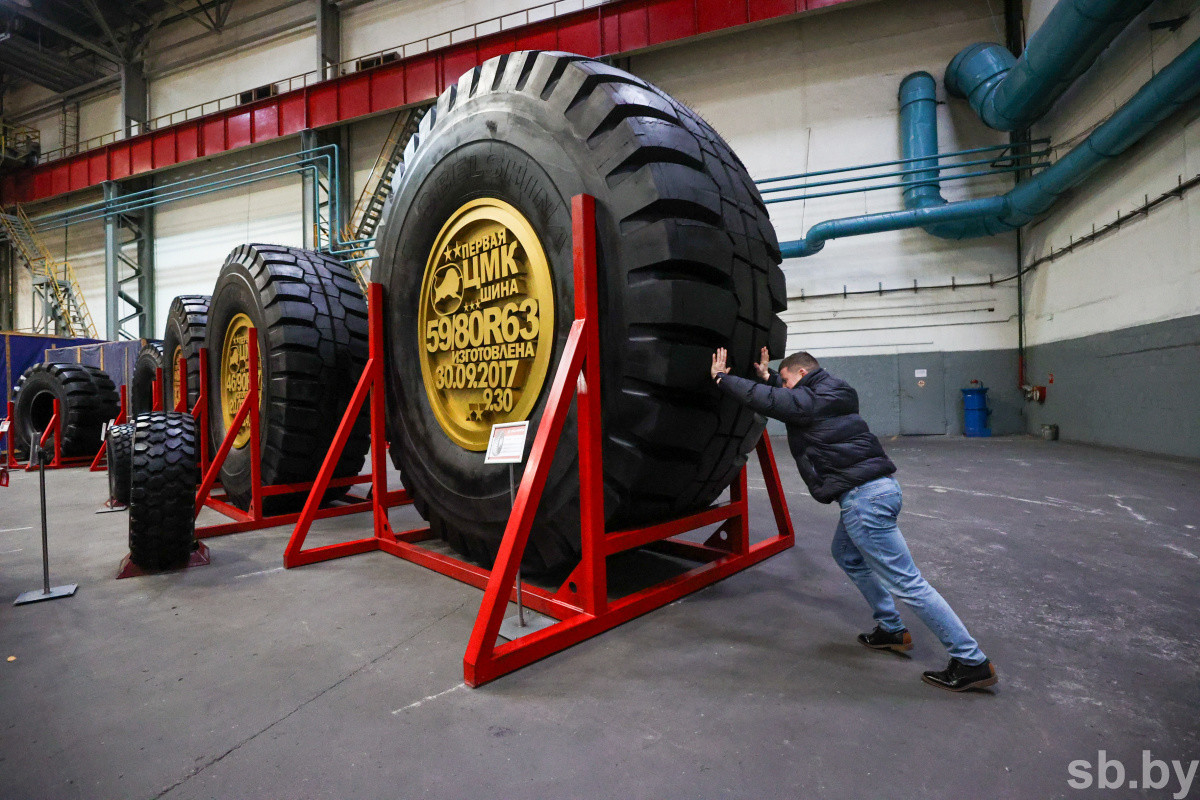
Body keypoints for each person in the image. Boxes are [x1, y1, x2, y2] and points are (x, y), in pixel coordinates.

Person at [711, 346, 997, 692]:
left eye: (785, 380)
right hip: (880, 491)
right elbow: (790, 400)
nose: (783, 388)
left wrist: (722, 378)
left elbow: (776, 402)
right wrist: (770, 377)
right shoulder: (835, 391)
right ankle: (891, 629)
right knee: (845, 554)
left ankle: (971, 661)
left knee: (909, 583)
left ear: (802, 374)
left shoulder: (810, 400)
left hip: (865, 501)